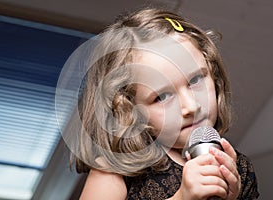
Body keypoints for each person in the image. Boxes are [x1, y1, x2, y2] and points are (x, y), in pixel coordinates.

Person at [62, 8, 259, 200]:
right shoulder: (115, 170)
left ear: (214, 74)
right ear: (130, 110)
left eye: (196, 80)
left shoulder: (240, 169)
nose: (191, 107)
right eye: (162, 97)